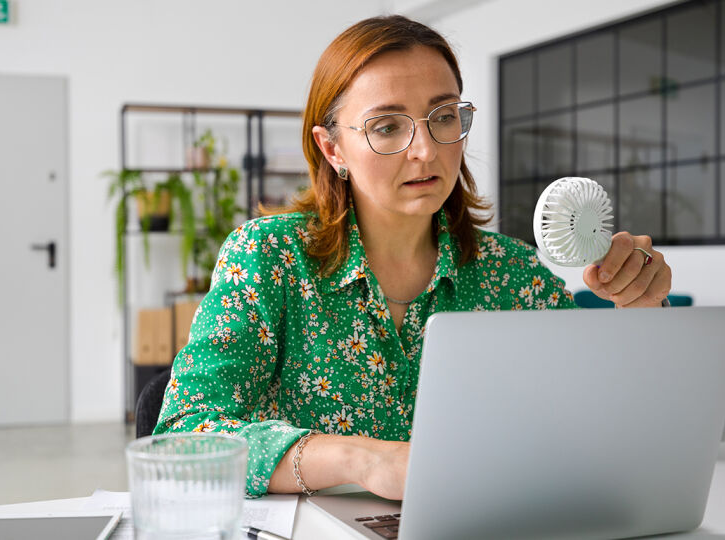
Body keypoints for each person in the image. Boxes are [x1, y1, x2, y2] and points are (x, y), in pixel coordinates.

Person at [153, 15, 672, 500]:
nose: (425, 149)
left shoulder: (513, 276)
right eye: (387, 127)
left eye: (443, 117)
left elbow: (603, 424)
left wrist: (642, 316)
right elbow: (183, 438)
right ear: (333, 149)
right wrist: (363, 460)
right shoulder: (269, 257)